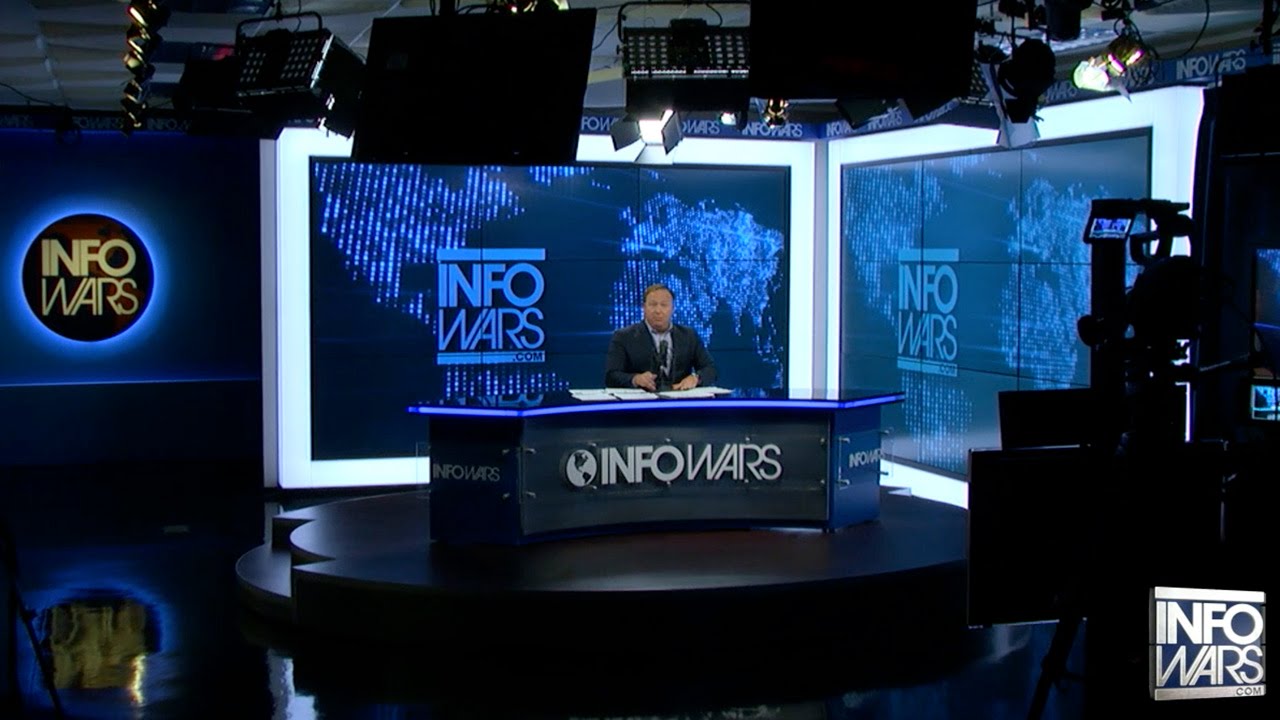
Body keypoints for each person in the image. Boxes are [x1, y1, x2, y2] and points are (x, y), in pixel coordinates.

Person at [604, 283, 717, 390]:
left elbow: (710, 369)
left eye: (664, 305)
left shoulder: (689, 335)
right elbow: (611, 376)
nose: (658, 310)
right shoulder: (624, 336)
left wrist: (695, 378)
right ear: (644, 307)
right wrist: (635, 379)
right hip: (642, 401)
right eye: (653, 305)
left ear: (672, 309)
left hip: (680, 399)